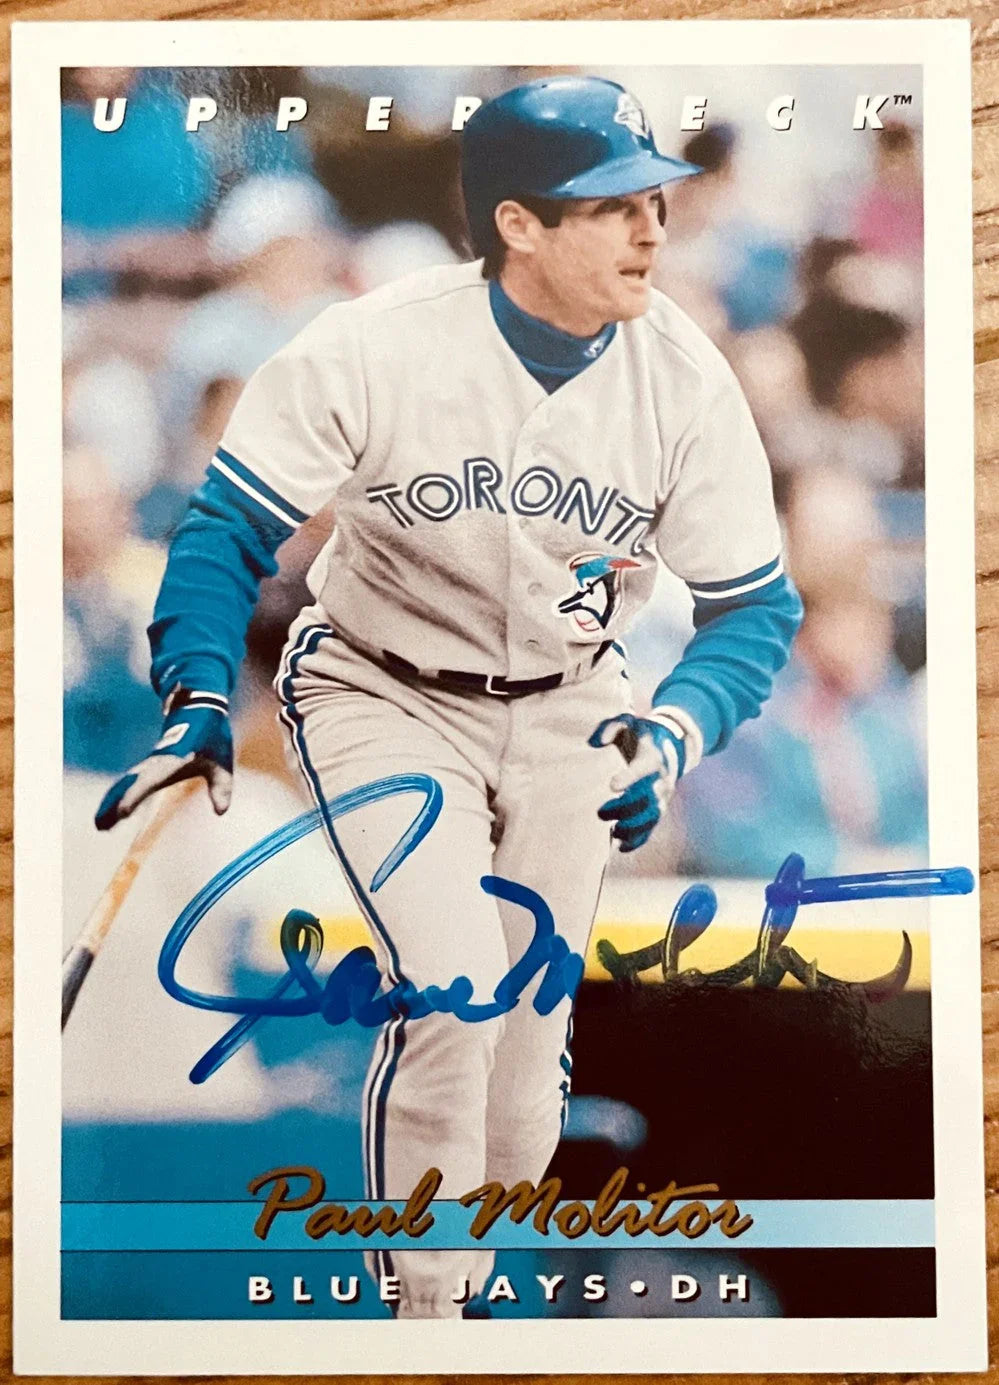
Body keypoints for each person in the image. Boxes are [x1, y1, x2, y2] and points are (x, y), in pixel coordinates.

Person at [95, 76, 803, 1319]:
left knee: (527, 1050)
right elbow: (221, 532)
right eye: (613, 206)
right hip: (385, 686)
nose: (651, 229)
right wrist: (198, 691)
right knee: (455, 985)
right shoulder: (374, 345)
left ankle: (479, 1306)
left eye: (655, 201)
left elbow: (754, 608)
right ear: (519, 224)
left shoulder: (684, 378)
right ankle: (424, 1320)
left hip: (574, 700)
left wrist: (673, 727)